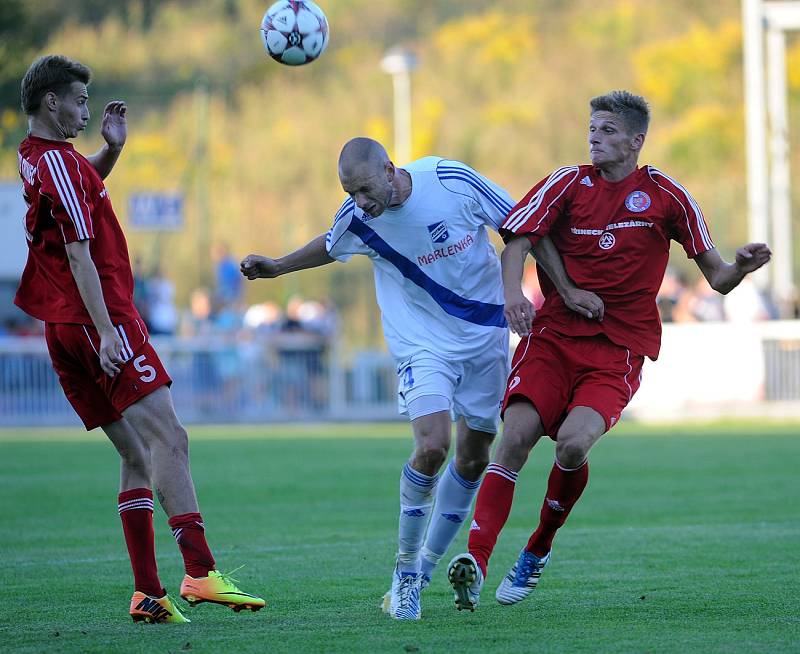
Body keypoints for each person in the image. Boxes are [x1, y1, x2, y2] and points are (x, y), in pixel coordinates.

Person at [448, 90, 772, 610]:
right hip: (552, 338)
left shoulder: (667, 195)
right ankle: (476, 563)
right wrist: (514, 296)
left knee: (573, 446)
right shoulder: (567, 182)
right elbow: (517, 239)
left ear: (636, 141)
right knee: (515, 440)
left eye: (607, 131)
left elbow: (719, 279)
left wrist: (741, 265)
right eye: (592, 129)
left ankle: (537, 548)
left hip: (617, 348)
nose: (595, 138)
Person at [14, 55, 265, 624]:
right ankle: (200, 574)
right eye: (79, 101)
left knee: (136, 453)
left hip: (60, 325)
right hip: (100, 320)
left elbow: (77, 190)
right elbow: (78, 249)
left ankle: (147, 594)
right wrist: (108, 331)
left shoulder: (36, 160)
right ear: (52, 102)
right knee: (170, 439)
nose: (85, 111)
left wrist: (113, 151)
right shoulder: (58, 163)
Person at [241, 137, 515, 620]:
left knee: (474, 459)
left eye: (366, 189)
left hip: (486, 335)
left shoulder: (451, 181)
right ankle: (405, 576)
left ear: (390, 170)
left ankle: (427, 571)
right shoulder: (358, 217)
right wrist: (277, 267)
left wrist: (538, 289)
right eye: (350, 193)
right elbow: (329, 246)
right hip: (423, 342)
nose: (360, 202)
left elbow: (520, 226)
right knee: (432, 447)